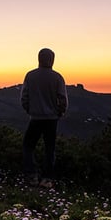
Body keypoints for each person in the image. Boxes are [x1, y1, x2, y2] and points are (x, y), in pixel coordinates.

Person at [20, 47, 68, 188]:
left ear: (39, 59)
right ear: (52, 60)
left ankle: (32, 175)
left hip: (35, 118)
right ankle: (47, 179)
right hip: (51, 120)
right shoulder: (58, 77)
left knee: (28, 146)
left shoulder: (30, 76)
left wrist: (30, 110)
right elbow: (63, 100)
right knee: (50, 148)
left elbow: (24, 97)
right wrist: (60, 113)